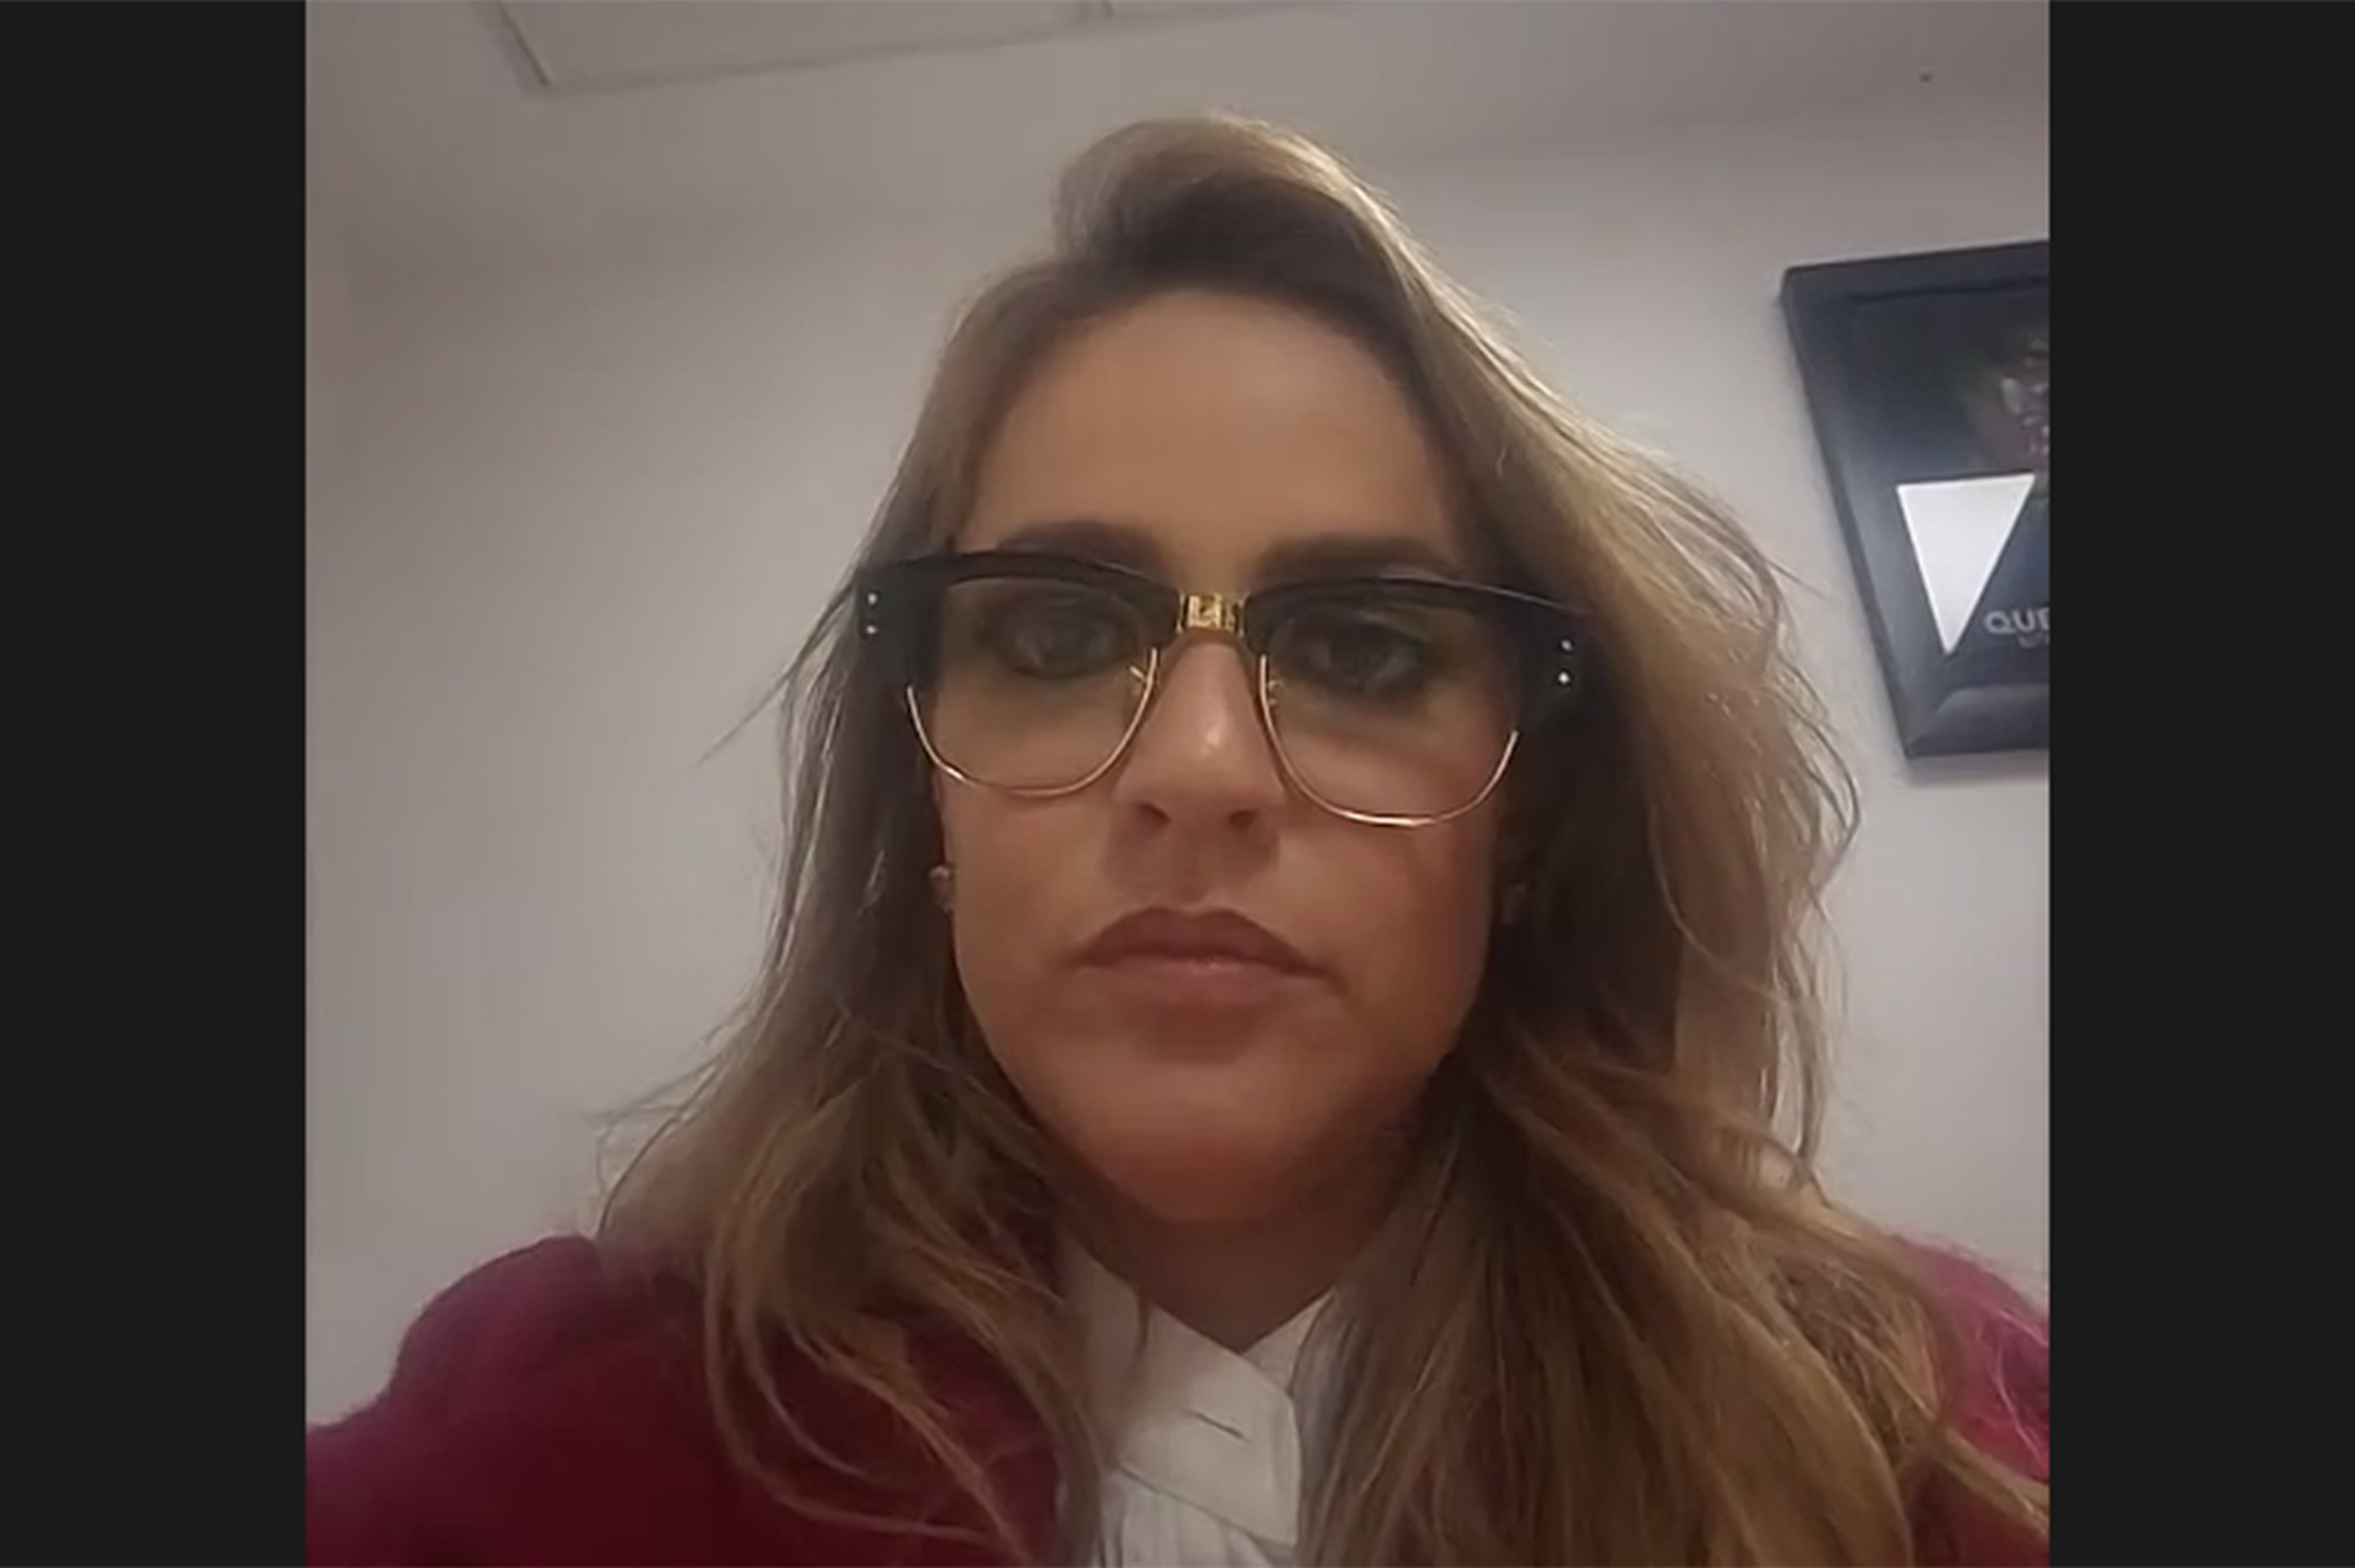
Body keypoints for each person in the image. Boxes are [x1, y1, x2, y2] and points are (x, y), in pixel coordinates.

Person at [305, 116, 2049, 1567]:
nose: (1197, 768)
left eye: (1366, 648)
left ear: (1529, 818)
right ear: (928, 799)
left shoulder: (1932, 1441)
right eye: (1058, 636)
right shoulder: (528, 1433)